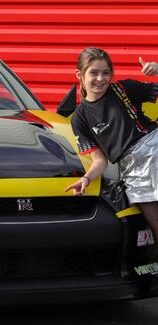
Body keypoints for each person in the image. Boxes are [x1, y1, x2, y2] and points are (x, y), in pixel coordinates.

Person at [64, 47, 158, 261]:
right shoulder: (80, 118)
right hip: (132, 172)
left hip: (154, 148)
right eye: (94, 73)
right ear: (79, 75)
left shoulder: (123, 88)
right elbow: (100, 160)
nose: (100, 79)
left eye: (106, 73)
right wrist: (86, 178)